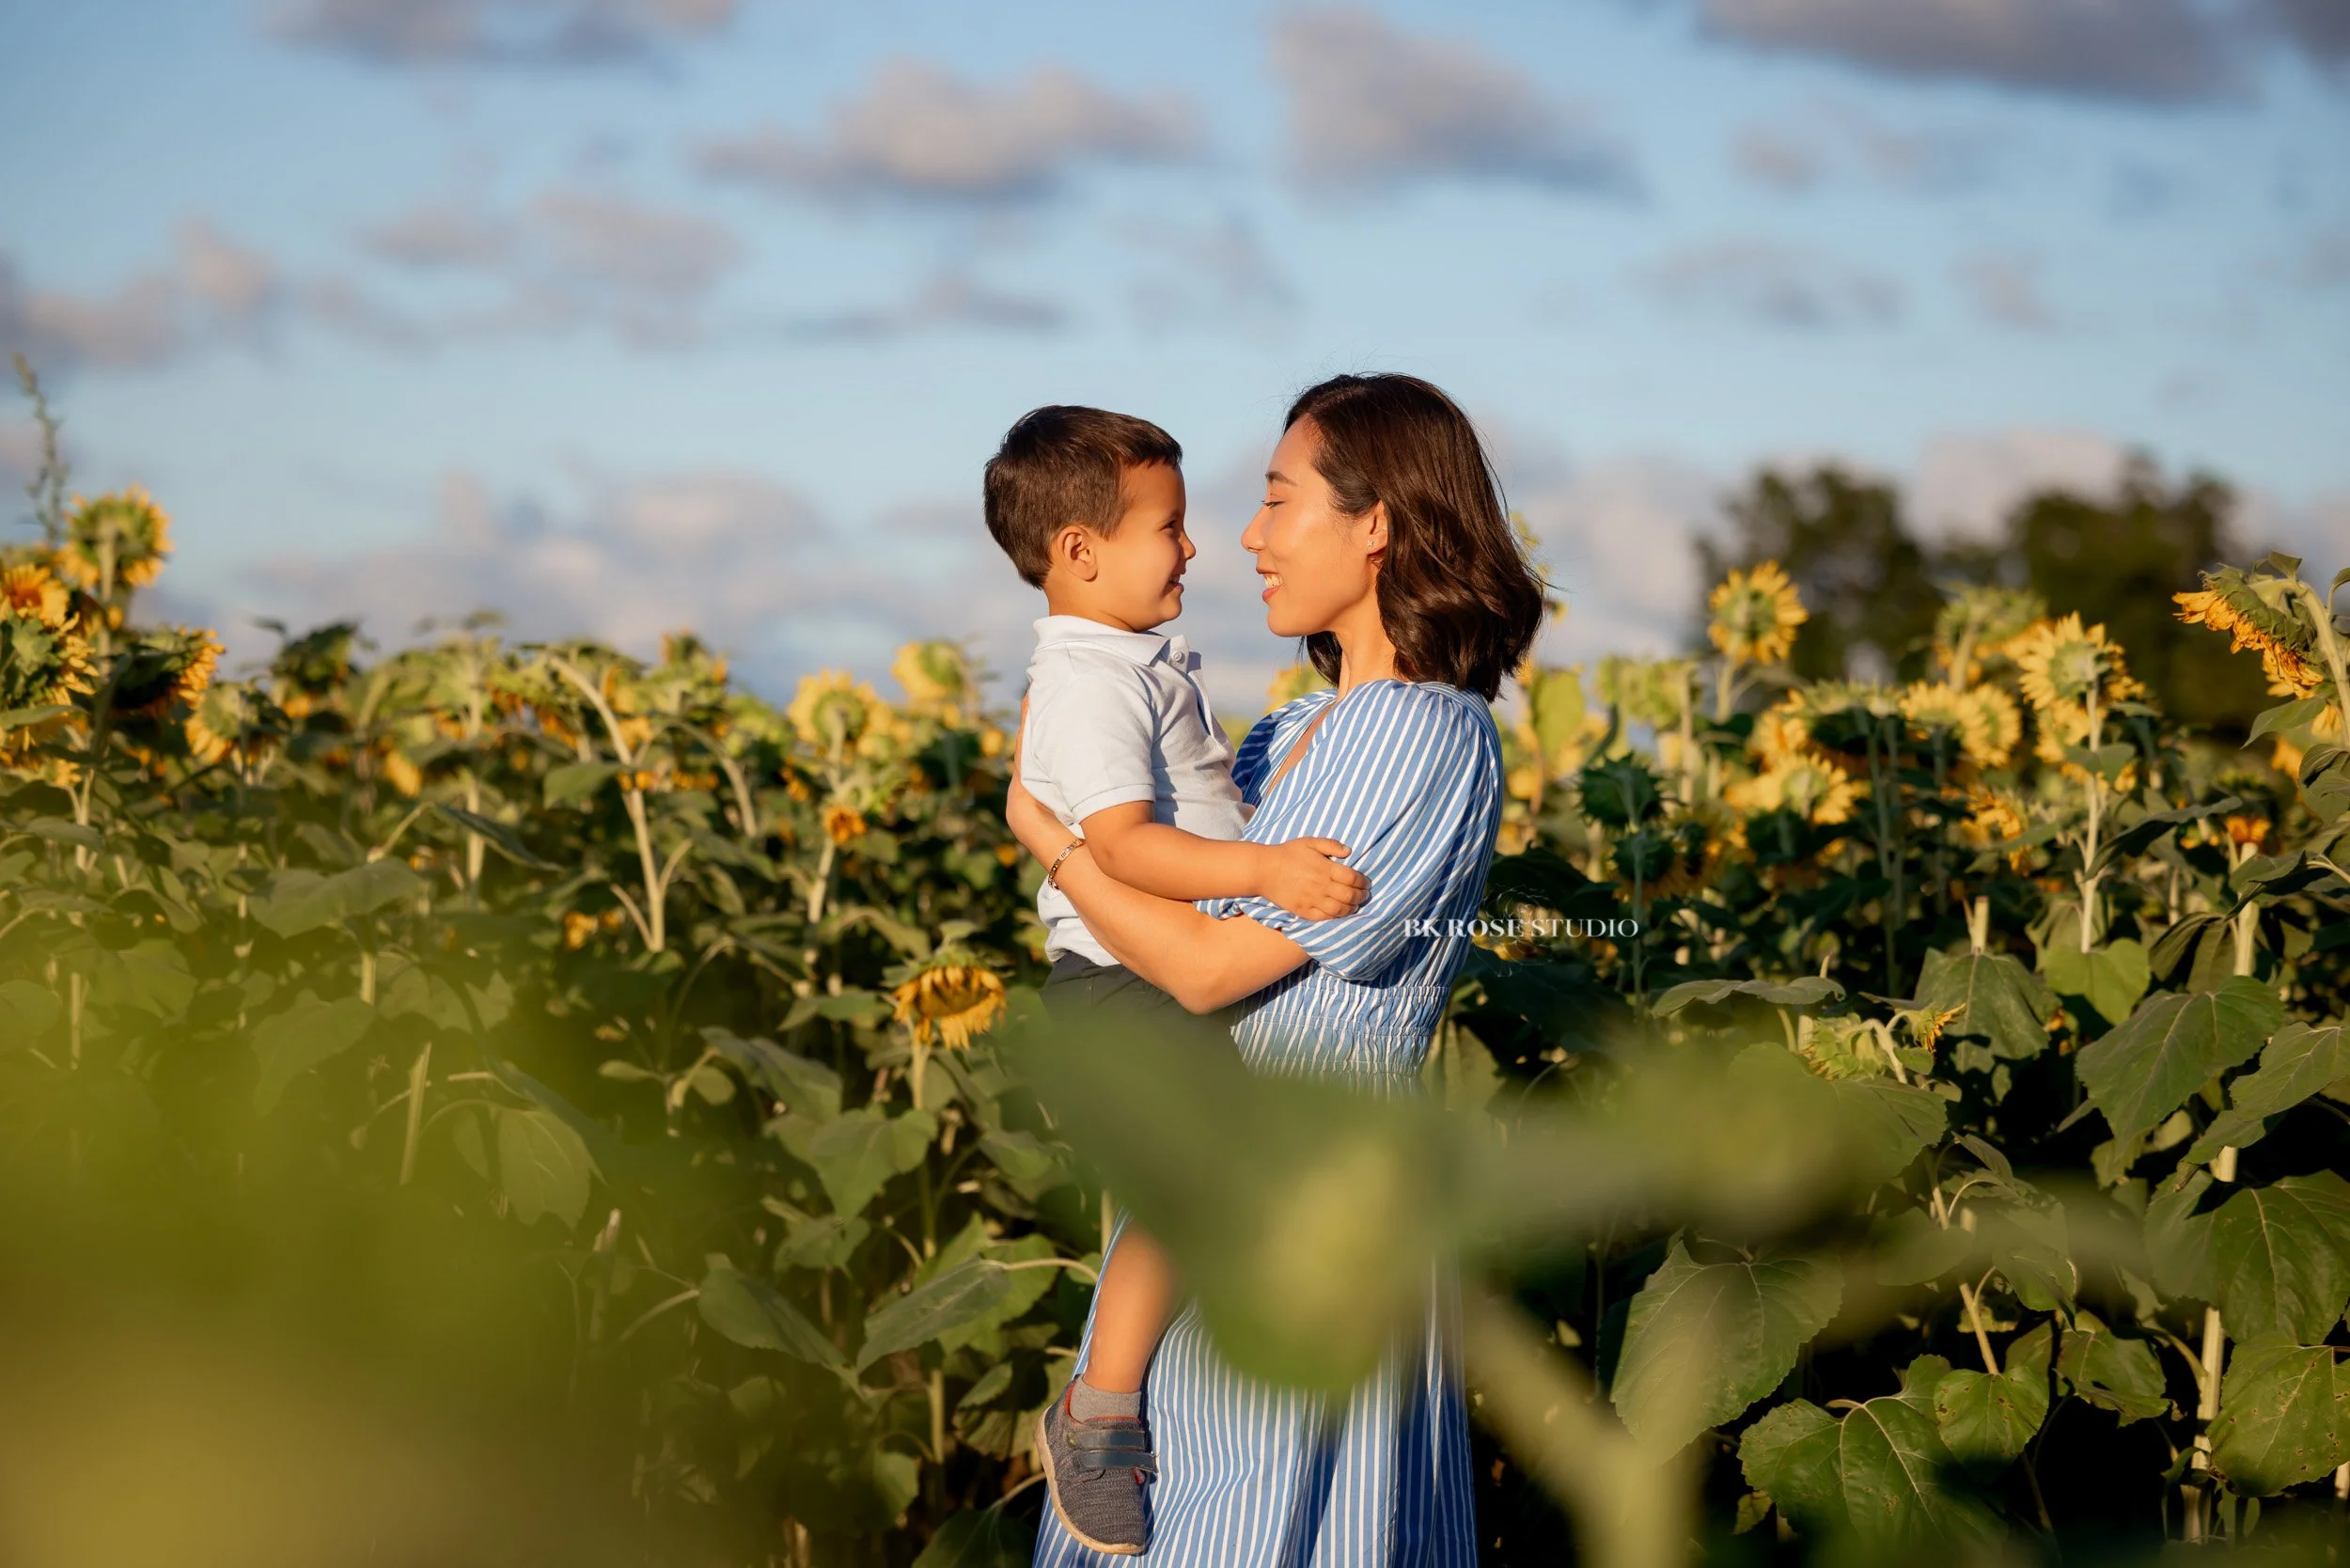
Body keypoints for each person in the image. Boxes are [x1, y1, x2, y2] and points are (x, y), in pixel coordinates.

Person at [1010, 374, 1544, 1565]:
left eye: (1274, 499)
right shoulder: (1292, 729)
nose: (1244, 537)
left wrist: (1053, 841)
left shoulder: (1416, 730)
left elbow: (1202, 968)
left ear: (1378, 524)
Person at [983, 404, 1376, 1554]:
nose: (1195, 549)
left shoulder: (1120, 660)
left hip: (1138, 976)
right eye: (1170, 526)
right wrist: (1262, 866)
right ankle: (1098, 1413)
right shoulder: (1091, 684)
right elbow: (1122, 845)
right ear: (1079, 552)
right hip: (1122, 985)